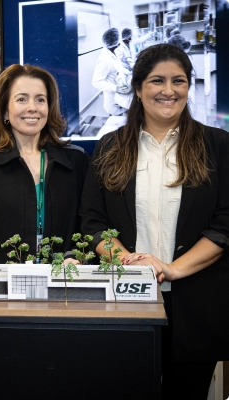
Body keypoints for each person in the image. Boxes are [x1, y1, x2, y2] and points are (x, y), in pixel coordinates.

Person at [81, 44, 229, 399]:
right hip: (127, 302)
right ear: (137, 88)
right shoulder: (109, 147)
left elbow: (225, 222)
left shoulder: (217, 145)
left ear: (189, 87)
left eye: (179, 81)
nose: (169, 90)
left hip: (197, 307)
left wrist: (174, 269)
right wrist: (129, 265)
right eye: (157, 80)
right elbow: (92, 223)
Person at [0, 64, 89, 263]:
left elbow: (88, 228)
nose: (32, 108)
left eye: (40, 100)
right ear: (5, 110)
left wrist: (76, 257)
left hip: (62, 284)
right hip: (1, 285)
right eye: (21, 99)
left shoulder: (75, 160)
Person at [92, 28, 131, 115]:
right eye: (119, 39)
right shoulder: (104, 60)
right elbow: (96, 82)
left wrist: (128, 72)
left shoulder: (113, 52)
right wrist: (116, 88)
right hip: (113, 101)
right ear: (115, 41)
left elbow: (118, 67)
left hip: (121, 95)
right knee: (120, 121)